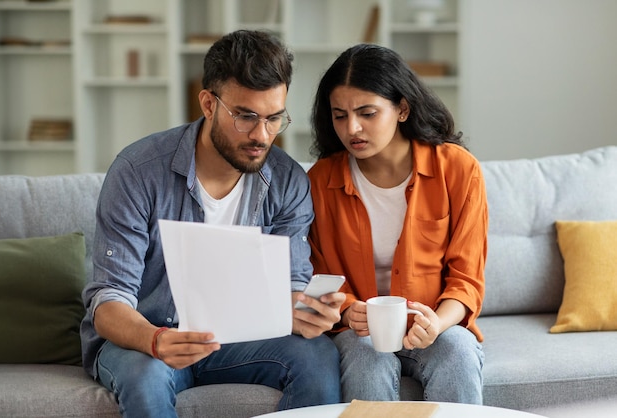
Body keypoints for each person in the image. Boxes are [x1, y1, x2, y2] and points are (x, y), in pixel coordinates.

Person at [80, 30, 344, 418]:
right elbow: (109, 300)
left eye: (274, 119)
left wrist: (306, 311)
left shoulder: (287, 181)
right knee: (144, 378)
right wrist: (155, 340)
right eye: (246, 117)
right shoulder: (138, 172)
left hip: (241, 342)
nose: (261, 135)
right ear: (208, 103)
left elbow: (290, 286)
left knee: (317, 355)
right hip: (149, 336)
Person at [307, 43, 487, 404]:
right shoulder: (320, 181)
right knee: (364, 357)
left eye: (367, 113)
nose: (352, 128)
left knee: (457, 353)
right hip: (359, 333)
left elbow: (466, 280)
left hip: (436, 325)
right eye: (339, 115)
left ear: (402, 108)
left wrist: (435, 323)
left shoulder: (458, 169)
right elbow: (318, 273)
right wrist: (348, 309)